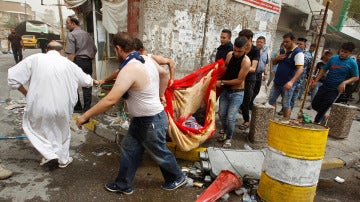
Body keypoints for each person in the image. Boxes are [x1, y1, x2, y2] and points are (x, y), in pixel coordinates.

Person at [76, 32, 186, 193]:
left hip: (150, 121)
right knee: (129, 149)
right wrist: (160, 94)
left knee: (160, 153)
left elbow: (110, 100)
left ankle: (177, 177)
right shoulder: (147, 59)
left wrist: (85, 116)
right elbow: (164, 74)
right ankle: (124, 184)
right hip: (145, 120)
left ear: (119, 49)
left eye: (115, 50)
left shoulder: (130, 68)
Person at [8, 41, 98, 168]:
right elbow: (86, 81)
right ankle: (63, 160)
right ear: (61, 51)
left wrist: (27, 93)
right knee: (63, 131)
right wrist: (97, 81)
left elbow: (13, 80)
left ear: (46, 50)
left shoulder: (35, 59)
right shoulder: (68, 64)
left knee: (39, 129)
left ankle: (49, 153)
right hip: (63, 106)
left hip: (40, 105)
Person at [311, 42, 359, 123]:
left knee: (325, 106)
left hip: (335, 90)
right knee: (314, 104)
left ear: (350, 53)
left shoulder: (352, 63)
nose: (342, 53)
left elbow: (356, 77)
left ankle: (316, 123)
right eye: (342, 51)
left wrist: (344, 82)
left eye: (345, 52)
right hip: (325, 86)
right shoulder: (333, 59)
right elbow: (324, 69)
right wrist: (315, 81)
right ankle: (324, 115)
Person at [216, 37, 251, 148]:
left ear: (245, 49)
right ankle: (225, 132)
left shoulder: (246, 62)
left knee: (231, 117)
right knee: (221, 114)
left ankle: (229, 138)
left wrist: (221, 82)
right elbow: (225, 67)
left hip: (237, 93)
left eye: (239, 51)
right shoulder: (230, 54)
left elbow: (239, 81)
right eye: (235, 50)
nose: (236, 53)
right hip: (226, 90)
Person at [99, 38, 176, 87]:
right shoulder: (133, 60)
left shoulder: (151, 58)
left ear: (140, 50)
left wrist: (172, 79)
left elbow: (170, 62)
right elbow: (118, 72)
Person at [268, 32, 304, 122]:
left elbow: (300, 69)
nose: (285, 43)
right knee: (271, 101)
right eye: (284, 41)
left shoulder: (298, 53)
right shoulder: (282, 50)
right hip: (277, 81)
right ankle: (271, 120)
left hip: (288, 84)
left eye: (287, 42)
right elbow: (274, 62)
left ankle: (285, 122)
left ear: (293, 41)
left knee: (286, 104)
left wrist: (291, 82)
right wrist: (277, 58)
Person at [65, 15, 97, 112]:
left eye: (67, 23)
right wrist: (89, 58)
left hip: (77, 61)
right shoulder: (87, 34)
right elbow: (94, 49)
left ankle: (77, 107)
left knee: (73, 84)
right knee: (87, 84)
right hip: (87, 62)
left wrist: (68, 66)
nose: (66, 25)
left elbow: (71, 53)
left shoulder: (71, 35)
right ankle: (87, 108)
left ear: (73, 23)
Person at [238, 29, 260, 130]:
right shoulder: (240, 48)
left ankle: (246, 121)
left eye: (243, 39)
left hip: (249, 79)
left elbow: (253, 68)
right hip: (238, 77)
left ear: (250, 39)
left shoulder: (255, 50)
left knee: (246, 102)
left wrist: (242, 68)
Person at [289, 37, 312, 109]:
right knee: (287, 94)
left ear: (305, 46)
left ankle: (290, 109)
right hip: (290, 77)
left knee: (294, 95)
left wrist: (308, 78)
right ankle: (285, 108)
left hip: (300, 79)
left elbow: (309, 68)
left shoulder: (308, 55)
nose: (298, 45)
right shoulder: (292, 52)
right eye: (297, 43)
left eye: (301, 44)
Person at [250, 36, 269, 108]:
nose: (259, 43)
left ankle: (250, 103)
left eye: (261, 42)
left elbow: (266, 64)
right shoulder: (253, 50)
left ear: (264, 43)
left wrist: (265, 74)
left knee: (256, 90)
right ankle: (245, 105)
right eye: (258, 42)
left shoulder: (265, 53)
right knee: (250, 90)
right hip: (252, 73)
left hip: (259, 74)